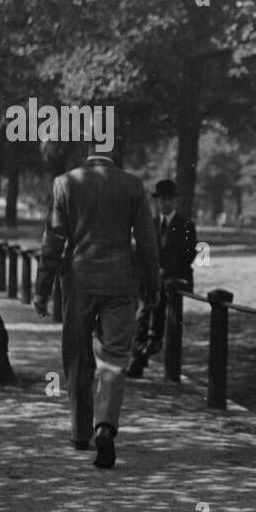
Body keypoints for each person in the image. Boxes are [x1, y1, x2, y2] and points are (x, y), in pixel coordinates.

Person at [33, 150, 161, 468]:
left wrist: (42, 289)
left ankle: (80, 432)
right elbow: (147, 241)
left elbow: (53, 240)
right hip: (122, 283)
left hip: (79, 283)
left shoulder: (65, 183)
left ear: (88, 153)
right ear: (114, 154)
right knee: (114, 358)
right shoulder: (133, 185)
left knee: (78, 356)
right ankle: (104, 426)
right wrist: (153, 287)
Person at [125, 179, 198, 378]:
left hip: (173, 280)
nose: (165, 203)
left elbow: (188, 255)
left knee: (153, 308)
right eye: (162, 199)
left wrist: (164, 270)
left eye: (169, 199)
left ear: (175, 201)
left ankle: (152, 344)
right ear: (156, 201)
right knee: (142, 313)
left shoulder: (186, 226)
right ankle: (139, 358)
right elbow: (141, 253)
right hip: (150, 280)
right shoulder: (148, 225)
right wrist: (149, 271)